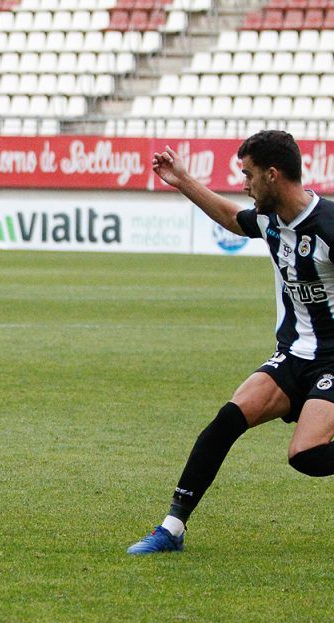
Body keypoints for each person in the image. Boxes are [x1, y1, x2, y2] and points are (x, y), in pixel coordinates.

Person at [128, 130, 334, 554]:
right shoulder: (269, 222)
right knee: (225, 423)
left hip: (333, 363)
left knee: (306, 455)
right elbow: (228, 218)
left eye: (248, 175)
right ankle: (172, 529)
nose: (243, 184)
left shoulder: (329, 227)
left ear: (273, 176)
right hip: (293, 356)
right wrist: (182, 180)